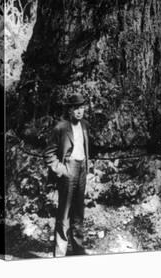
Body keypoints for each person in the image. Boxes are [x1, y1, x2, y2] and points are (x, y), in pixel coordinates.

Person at [44, 93, 91, 257]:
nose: (79, 111)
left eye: (82, 107)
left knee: (79, 211)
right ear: (70, 110)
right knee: (64, 212)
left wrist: (86, 167)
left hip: (82, 169)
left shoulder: (85, 125)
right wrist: (62, 170)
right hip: (68, 169)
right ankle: (60, 251)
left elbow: (85, 148)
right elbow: (49, 154)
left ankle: (78, 248)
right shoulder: (61, 127)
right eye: (76, 108)